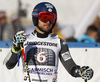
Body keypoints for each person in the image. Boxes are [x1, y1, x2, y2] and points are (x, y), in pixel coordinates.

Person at [3, 2, 93, 82]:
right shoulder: (24, 39)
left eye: (52, 18)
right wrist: (15, 48)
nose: (48, 22)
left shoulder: (60, 43)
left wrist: (81, 72)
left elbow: (71, 68)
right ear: (36, 18)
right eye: (45, 17)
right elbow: (9, 65)